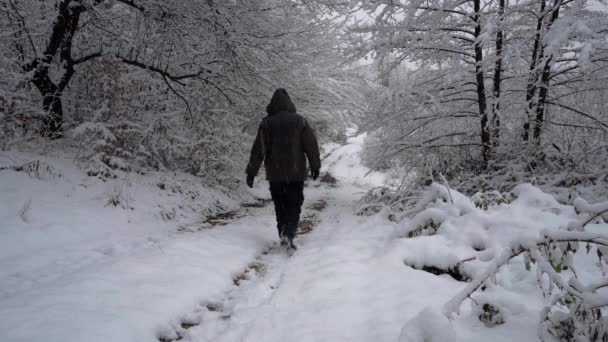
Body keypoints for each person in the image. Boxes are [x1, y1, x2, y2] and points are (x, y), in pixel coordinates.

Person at [245, 88, 321, 250]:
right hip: (296, 172)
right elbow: (311, 146)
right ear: (290, 104)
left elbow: (259, 150)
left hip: (275, 173)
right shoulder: (300, 121)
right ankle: (289, 232)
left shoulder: (267, 123)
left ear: (272, 104)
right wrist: (315, 166)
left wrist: (251, 171)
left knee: (280, 204)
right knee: (294, 202)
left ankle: (282, 232)